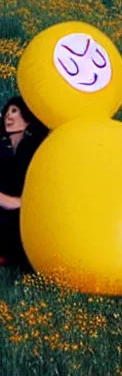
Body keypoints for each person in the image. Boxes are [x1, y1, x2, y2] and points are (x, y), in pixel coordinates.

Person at [0, 96, 48, 269]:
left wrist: (13, 202)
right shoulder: (3, 148)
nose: (8, 116)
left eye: (14, 111)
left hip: (25, 212)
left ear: (27, 118)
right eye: (6, 112)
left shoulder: (35, 149)